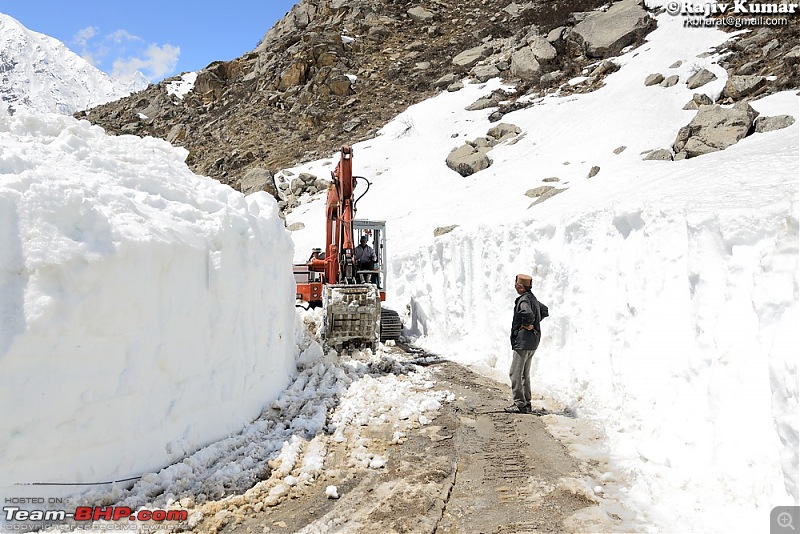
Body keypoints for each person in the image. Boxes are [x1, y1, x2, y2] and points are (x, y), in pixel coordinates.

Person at [505, 273, 543, 414]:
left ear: (521, 287)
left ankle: (520, 404)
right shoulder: (533, 298)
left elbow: (527, 313)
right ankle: (526, 403)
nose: (515, 287)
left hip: (523, 342)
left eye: (517, 285)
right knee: (524, 374)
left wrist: (527, 324)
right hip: (532, 342)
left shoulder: (524, 300)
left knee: (515, 374)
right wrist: (534, 325)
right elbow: (543, 310)